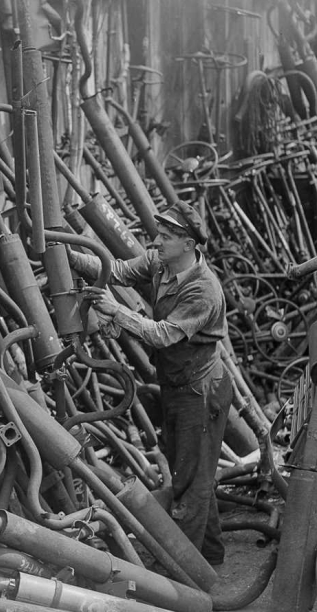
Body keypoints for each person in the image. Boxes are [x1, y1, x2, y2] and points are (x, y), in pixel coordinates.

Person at [68, 200, 233, 566]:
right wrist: (69, 255)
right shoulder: (161, 262)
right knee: (190, 470)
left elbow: (162, 335)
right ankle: (210, 553)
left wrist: (116, 311)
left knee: (190, 480)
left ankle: (183, 572)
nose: (157, 242)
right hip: (178, 384)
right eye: (159, 234)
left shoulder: (203, 290)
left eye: (167, 236)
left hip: (201, 391)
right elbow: (118, 270)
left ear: (188, 244)